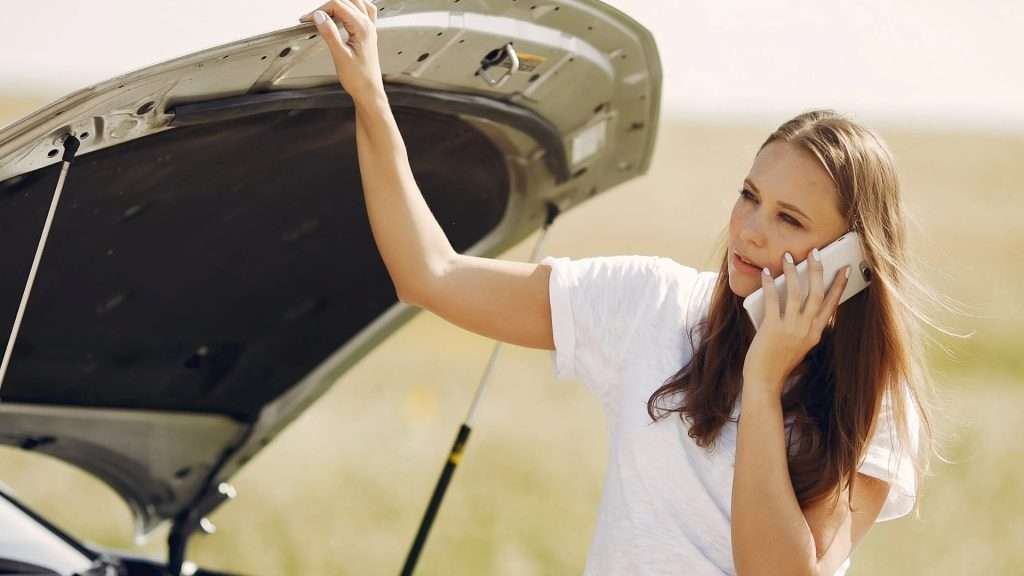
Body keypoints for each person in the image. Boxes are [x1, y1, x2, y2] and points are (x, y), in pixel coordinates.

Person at [299, 2, 939, 574]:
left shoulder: (874, 396)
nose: (750, 231)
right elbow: (430, 276)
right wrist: (372, 101)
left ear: (848, 260)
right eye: (749, 196)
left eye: (789, 219)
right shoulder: (651, 304)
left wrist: (764, 380)